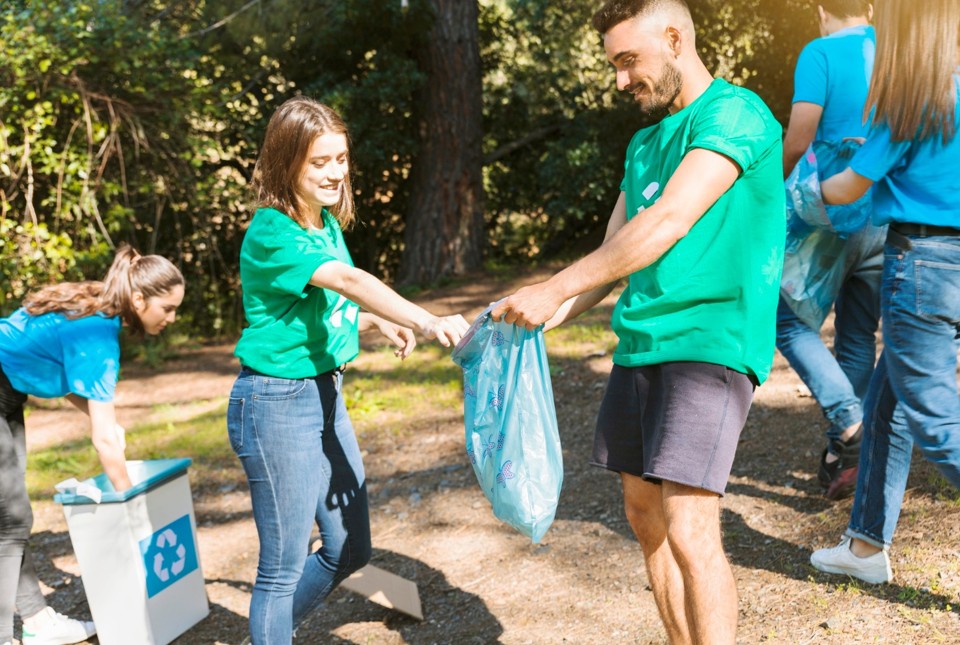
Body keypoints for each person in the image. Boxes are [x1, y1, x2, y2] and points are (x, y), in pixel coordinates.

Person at [492, 1, 784, 642]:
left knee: (689, 525)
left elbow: (668, 221)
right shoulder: (644, 143)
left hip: (709, 343)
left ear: (675, 39)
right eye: (614, 66)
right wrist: (527, 316)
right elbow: (612, 257)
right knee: (645, 516)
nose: (621, 80)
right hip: (641, 343)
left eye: (629, 61)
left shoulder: (734, 114)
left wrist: (553, 287)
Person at [228, 96, 469, 644]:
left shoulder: (324, 223)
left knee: (349, 547)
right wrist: (423, 319)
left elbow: (312, 309)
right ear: (286, 162)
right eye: (319, 162)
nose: (335, 172)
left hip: (324, 395)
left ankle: (269, 633)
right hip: (274, 403)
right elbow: (348, 281)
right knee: (281, 566)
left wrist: (372, 321)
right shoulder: (272, 231)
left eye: (340, 159)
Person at [809, 0, 960, 584]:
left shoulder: (911, 100)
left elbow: (848, 188)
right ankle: (866, 546)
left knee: (935, 419)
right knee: (885, 403)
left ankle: (866, 545)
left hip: (922, 266)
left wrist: (809, 183)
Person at [0, 246, 185, 645]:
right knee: (10, 518)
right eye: (167, 308)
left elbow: (70, 378)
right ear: (140, 299)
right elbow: (103, 441)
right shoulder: (98, 334)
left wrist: (104, 420)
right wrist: (130, 505)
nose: (171, 318)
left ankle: (36, 621)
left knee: (11, 519)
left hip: (8, 394)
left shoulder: (95, 304)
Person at [777, 0, 884, 500]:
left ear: (821, 10)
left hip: (830, 209)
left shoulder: (819, 53)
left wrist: (766, 189)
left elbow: (799, 139)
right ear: (869, 6)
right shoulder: (893, 50)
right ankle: (844, 456)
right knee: (858, 334)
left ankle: (849, 421)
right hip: (885, 209)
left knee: (782, 317)